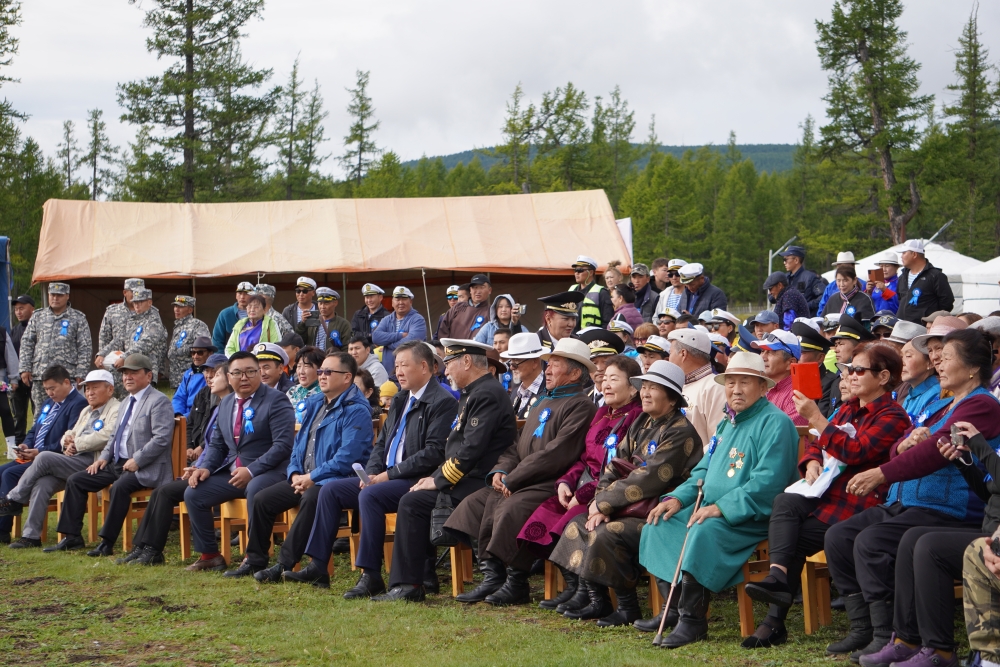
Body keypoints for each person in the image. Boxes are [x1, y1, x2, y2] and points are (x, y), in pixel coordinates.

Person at [822, 328, 1000, 660]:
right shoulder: (944, 405)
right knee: (841, 535)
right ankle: (894, 636)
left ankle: (914, 640)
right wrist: (902, 447)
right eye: (937, 356)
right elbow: (902, 447)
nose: (937, 362)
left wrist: (882, 472)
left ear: (973, 367)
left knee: (893, 542)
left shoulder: (981, 405)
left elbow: (937, 449)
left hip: (951, 507)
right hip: (909, 500)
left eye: (946, 357)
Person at [741, 343, 909, 649]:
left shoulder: (893, 415)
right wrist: (812, 461)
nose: (851, 377)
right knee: (786, 502)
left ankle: (780, 621)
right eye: (848, 370)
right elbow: (818, 442)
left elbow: (855, 451)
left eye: (859, 370)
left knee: (792, 537)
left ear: (883, 376)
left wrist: (817, 418)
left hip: (859, 501)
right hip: (828, 495)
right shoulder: (849, 407)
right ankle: (777, 584)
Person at [638, 351, 799, 648]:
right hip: (709, 510)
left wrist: (721, 508)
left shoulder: (776, 423)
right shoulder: (727, 423)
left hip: (750, 515)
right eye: (730, 383)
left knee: (701, 532)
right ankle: (672, 609)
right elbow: (703, 469)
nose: (736, 390)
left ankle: (693, 621)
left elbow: (769, 483)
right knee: (660, 524)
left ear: (763, 387)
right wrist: (678, 498)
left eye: (745, 383)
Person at [280, 341, 454, 593]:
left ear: (425, 366)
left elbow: (433, 453)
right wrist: (372, 472)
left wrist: (388, 475)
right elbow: (381, 443)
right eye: (396, 366)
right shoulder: (401, 398)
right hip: (386, 476)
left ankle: (370, 574)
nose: (398, 372)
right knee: (331, 491)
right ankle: (318, 566)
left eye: (404, 365)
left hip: (416, 480)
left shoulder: (442, 401)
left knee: (371, 494)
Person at [550, 359, 702, 627]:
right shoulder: (642, 420)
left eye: (654, 388)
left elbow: (650, 478)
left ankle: (628, 606)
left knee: (609, 533)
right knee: (578, 522)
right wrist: (599, 503)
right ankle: (598, 600)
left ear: (672, 397)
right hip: (627, 505)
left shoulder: (680, 431)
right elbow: (613, 465)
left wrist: (605, 505)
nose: (645, 392)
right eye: (644, 387)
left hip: (660, 509)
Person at [445, 337, 597, 605]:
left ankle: (517, 582)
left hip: (549, 482)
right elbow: (516, 445)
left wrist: (513, 479)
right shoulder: (541, 402)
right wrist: (501, 471)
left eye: (555, 366)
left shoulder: (581, 405)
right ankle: (493, 576)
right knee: (473, 504)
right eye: (548, 365)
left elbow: (556, 454)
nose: (547, 370)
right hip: (520, 480)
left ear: (575, 373)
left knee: (510, 509)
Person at [372, 338, 517, 602]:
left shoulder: (485, 394)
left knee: (413, 502)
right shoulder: (474, 393)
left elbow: (470, 452)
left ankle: (410, 584)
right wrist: (435, 478)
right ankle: (418, 580)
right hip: (466, 477)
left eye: (449, 363)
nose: (446, 371)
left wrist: (437, 480)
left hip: (480, 480)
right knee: (414, 499)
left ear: (467, 361)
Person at [220, 352, 373, 579]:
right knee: (263, 499)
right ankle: (255, 559)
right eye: (320, 371)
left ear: (347, 378)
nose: (321, 376)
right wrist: (294, 474)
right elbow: (297, 447)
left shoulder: (356, 410)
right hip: (305, 478)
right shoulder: (315, 404)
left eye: (328, 372)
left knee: (312, 497)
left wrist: (312, 477)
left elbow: (347, 458)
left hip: (337, 480)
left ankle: (284, 564)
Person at [518, 355, 643, 612]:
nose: (606, 385)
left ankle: (588, 592)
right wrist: (565, 482)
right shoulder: (601, 413)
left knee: (571, 520)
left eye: (614, 380)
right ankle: (575, 587)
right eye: (604, 378)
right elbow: (584, 459)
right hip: (583, 485)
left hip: (609, 492)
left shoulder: (636, 418)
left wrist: (585, 494)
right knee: (545, 514)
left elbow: (623, 469)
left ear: (633, 388)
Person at [45, 354, 173, 557]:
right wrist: (104, 457)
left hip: (144, 466)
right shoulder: (126, 402)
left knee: (120, 488)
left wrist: (137, 460)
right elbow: (114, 435)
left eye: (134, 373)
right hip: (117, 463)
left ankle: (106, 543)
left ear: (149, 376)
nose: (128, 377)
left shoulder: (159, 401)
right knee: (76, 480)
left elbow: (161, 439)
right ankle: (72, 537)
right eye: (125, 373)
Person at [180, 350, 295, 571]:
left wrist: (251, 470)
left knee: (255, 490)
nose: (244, 377)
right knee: (194, 492)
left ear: (259, 373)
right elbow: (217, 444)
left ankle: (255, 558)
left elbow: (282, 446)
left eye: (251, 372)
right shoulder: (225, 403)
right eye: (238, 373)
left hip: (269, 471)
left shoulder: (276, 400)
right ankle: (210, 555)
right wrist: (204, 467)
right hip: (233, 472)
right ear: (228, 376)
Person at [115, 358, 232, 566]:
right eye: (210, 374)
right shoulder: (218, 408)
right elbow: (212, 445)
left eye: (217, 374)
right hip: (205, 469)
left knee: (166, 492)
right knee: (162, 491)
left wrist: (202, 468)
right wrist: (196, 466)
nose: (210, 378)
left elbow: (225, 449)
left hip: (220, 472)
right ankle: (142, 547)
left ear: (230, 379)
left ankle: (152, 550)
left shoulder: (231, 408)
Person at [1, 370, 120, 549]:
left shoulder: (116, 409)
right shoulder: (87, 410)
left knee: (43, 457)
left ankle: (14, 498)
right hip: (73, 459)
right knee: (43, 483)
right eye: (87, 389)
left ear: (110, 389)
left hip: (95, 462)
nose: (90, 393)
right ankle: (31, 537)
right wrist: (68, 441)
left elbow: (106, 435)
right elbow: (70, 432)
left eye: (95, 388)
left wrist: (77, 443)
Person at [0, 365, 88, 544]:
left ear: (66, 382)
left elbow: (68, 441)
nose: (49, 393)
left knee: (9, 474)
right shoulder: (49, 403)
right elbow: (35, 429)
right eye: (46, 389)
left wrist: (39, 452)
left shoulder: (78, 403)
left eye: (52, 388)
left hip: (52, 458)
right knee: (1, 470)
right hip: (32, 455)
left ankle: (3, 529)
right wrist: (26, 445)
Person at [18, 283, 92, 410]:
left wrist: (81, 371)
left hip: (66, 376)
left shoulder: (78, 318)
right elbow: (27, 342)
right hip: (41, 374)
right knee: (41, 413)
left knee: (67, 411)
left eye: (59, 295)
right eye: (52, 295)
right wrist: (25, 367)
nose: (55, 298)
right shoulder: (38, 316)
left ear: (67, 296)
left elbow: (85, 346)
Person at [667, 329, 727, 449]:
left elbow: (718, 439)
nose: (668, 358)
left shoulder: (715, 387)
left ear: (683, 354)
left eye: (670, 353)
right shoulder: (678, 384)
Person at [752, 330, 807, 426]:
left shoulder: (797, 396)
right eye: (762, 351)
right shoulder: (756, 387)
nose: (763, 357)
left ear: (791, 363)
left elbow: (777, 432)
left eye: (771, 352)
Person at [372, 286, 428, 379]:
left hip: (410, 372)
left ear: (410, 301)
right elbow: (376, 337)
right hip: (389, 371)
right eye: (397, 299)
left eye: (404, 299)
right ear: (392, 302)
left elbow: (412, 341)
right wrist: (400, 335)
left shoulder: (418, 319)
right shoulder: (387, 319)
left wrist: (388, 345)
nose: (401, 302)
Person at [896, 240, 955, 324]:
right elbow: (900, 299)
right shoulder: (902, 277)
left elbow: (947, 303)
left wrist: (931, 321)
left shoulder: (935, 276)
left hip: (924, 328)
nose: (901, 256)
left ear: (914, 254)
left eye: (904, 253)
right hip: (902, 327)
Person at [185, 353, 229, 463]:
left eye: (214, 372)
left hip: (212, 456)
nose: (208, 375)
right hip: (194, 452)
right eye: (206, 371)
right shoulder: (202, 394)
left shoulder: (230, 401)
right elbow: (189, 424)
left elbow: (220, 437)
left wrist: (202, 447)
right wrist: (189, 447)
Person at [791, 320, 839, 417]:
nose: (796, 357)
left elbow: (819, 417)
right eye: (795, 353)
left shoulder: (829, 382)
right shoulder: (794, 376)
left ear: (820, 357)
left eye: (802, 353)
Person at [96, 278, 146, 367]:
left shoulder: (150, 312)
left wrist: (159, 368)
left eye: (140, 292)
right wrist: (102, 358)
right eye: (134, 292)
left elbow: (159, 341)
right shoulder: (112, 311)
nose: (137, 295)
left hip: (139, 365)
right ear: (125, 293)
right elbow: (104, 338)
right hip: (115, 365)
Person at [166, 295, 210, 390]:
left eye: (180, 307)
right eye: (175, 306)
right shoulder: (177, 327)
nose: (176, 309)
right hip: (177, 379)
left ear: (190, 310)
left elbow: (203, 347)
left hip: (192, 376)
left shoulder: (197, 325)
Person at [576, 327, 626, 406]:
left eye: (605, 362)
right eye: (594, 363)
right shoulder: (581, 397)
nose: (599, 368)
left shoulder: (623, 396)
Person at [502, 332, 547, 419]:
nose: (511, 367)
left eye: (516, 362)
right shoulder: (516, 392)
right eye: (511, 362)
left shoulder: (549, 393)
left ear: (535, 362)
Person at [10, 295, 35, 445]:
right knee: (18, 414)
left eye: (21, 308)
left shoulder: (38, 326)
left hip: (35, 377)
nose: (18, 312)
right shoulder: (14, 331)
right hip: (18, 379)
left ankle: (35, 440)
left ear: (32, 309)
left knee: (37, 411)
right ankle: (18, 443)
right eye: (16, 309)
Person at [171, 336, 216, 418]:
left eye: (200, 352)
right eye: (193, 352)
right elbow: (179, 397)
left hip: (201, 417)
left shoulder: (214, 374)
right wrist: (178, 414)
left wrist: (186, 418)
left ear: (210, 353)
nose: (195, 356)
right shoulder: (188, 373)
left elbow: (207, 404)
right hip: (183, 416)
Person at [296, 287, 352, 353]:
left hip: (332, 361)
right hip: (313, 361)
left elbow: (346, 348)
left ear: (335, 303)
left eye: (326, 303)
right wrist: (303, 324)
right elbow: (300, 341)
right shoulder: (312, 321)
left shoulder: (343, 324)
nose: (322, 307)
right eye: (320, 303)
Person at [438, 274, 493, 339]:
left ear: (489, 290)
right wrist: (447, 346)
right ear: (470, 290)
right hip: (453, 348)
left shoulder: (491, 311)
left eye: (482, 287)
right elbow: (443, 329)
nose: (478, 291)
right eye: (475, 287)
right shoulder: (457, 307)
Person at [569, 256, 614, 329]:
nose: (577, 273)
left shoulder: (602, 293)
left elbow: (607, 322)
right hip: (572, 337)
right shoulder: (571, 290)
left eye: (580, 270)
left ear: (590, 272)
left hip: (591, 337)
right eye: (575, 270)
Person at [780, 245, 826, 316]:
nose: (784, 262)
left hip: (804, 321)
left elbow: (824, 295)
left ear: (796, 260)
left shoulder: (810, 277)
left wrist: (806, 306)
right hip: (787, 321)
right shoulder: (785, 278)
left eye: (786, 259)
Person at [212, 281, 254, 351]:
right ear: (236, 295)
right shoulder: (225, 314)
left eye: (246, 294)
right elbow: (217, 341)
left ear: (253, 296)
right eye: (240, 293)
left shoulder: (258, 313)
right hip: (229, 358)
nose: (242, 297)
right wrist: (222, 358)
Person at [286, 346, 324, 422]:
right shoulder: (292, 391)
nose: (301, 372)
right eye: (299, 366)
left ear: (320, 369)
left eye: (306, 366)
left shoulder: (324, 393)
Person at [0, 316, 18, 448]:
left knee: (5, 410)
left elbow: (10, 355)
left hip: (0, 381)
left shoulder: (2, 332)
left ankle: (11, 446)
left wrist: (13, 378)